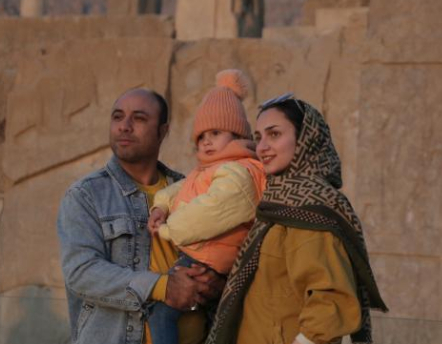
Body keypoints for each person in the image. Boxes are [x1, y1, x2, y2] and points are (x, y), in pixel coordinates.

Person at [206, 94, 388, 344]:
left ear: (305, 140)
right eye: (258, 137)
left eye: (274, 134)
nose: (262, 147)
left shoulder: (309, 210)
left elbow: (331, 302)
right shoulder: (277, 205)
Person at [57, 88, 223, 344]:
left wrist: (215, 283)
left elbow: (220, 251)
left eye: (139, 118)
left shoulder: (190, 189)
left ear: (163, 130)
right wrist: (161, 287)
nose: (124, 126)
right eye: (117, 117)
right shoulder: (86, 195)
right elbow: (82, 272)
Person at [146, 70, 268, 344]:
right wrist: (161, 206)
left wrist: (168, 229)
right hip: (205, 255)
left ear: (236, 134)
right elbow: (180, 189)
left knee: (161, 311)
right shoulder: (211, 170)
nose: (207, 141)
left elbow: (210, 212)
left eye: (216, 132)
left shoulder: (237, 172)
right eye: (201, 137)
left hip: (208, 257)